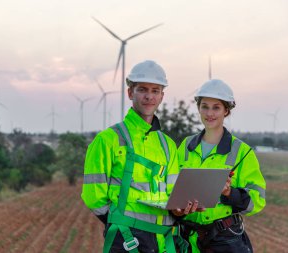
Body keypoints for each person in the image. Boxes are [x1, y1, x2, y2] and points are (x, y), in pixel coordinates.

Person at [82, 60, 197, 253]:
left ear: (162, 96)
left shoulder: (168, 145)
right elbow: (93, 196)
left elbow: (172, 194)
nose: (149, 96)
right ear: (130, 92)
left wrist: (179, 210)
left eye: (155, 90)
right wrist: (120, 224)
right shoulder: (107, 140)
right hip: (126, 240)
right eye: (142, 89)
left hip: (163, 241)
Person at [177, 79, 266, 253]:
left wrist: (229, 193)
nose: (209, 113)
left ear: (226, 110)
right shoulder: (186, 146)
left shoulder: (242, 152)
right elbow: (172, 186)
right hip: (186, 239)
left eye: (216, 107)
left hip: (224, 240)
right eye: (205, 106)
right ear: (198, 108)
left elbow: (258, 200)